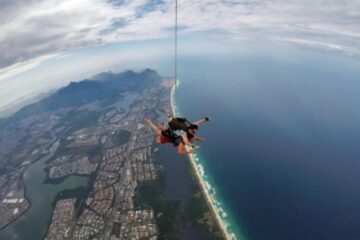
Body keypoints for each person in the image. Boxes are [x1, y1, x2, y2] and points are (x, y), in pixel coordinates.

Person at [144, 117, 210, 155]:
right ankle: (150, 122)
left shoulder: (191, 129)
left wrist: (205, 119)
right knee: (158, 135)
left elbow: (198, 123)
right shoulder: (183, 139)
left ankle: (162, 127)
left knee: (159, 136)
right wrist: (191, 150)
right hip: (169, 134)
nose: (194, 137)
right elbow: (180, 151)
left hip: (173, 131)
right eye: (193, 133)